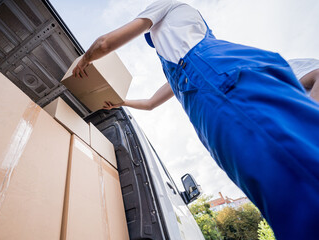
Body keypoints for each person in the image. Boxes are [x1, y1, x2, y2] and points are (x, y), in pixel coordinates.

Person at [72, 1, 319, 239]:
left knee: (297, 180)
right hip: (207, 105)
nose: (155, 39)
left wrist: (86, 59)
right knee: (277, 196)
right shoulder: (175, 68)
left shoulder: (172, 16)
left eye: (153, 32)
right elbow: (150, 103)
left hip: (221, 83)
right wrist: (123, 103)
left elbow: (105, 43)